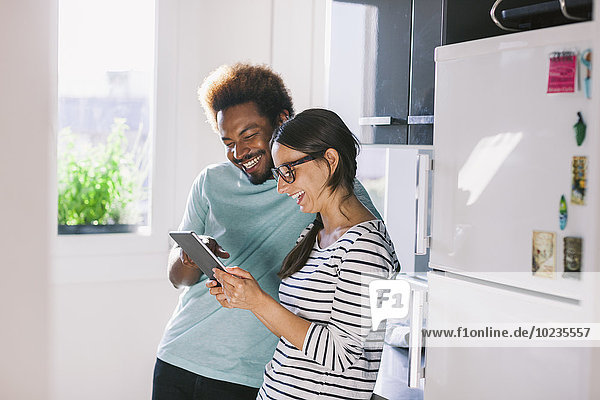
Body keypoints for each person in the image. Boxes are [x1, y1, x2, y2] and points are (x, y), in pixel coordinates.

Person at [153, 64, 380, 400]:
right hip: (178, 355)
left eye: (249, 134)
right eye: (227, 141)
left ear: (282, 120)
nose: (238, 153)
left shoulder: (322, 184)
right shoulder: (210, 182)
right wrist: (190, 254)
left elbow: (371, 259)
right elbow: (177, 278)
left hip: (251, 374)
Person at [209, 108, 400, 400]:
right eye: (278, 173)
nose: (282, 187)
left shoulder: (366, 247)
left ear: (330, 160)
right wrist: (247, 300)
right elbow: (297, 335)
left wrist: (259, 302)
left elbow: (341, 355)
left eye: (289, 171)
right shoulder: (314, 234)